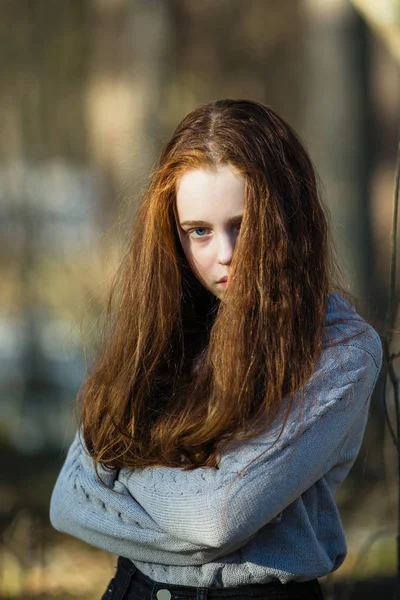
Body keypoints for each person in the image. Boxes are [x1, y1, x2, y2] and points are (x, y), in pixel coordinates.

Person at [49, 99, 383, 600]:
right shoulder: (156, 331)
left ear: (287, 219)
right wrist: (189, 507)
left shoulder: (340, 351)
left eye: (243, 225)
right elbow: (69, 504)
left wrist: (130, 458)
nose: (224, 255)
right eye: (198, 231)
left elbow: (216, 517)